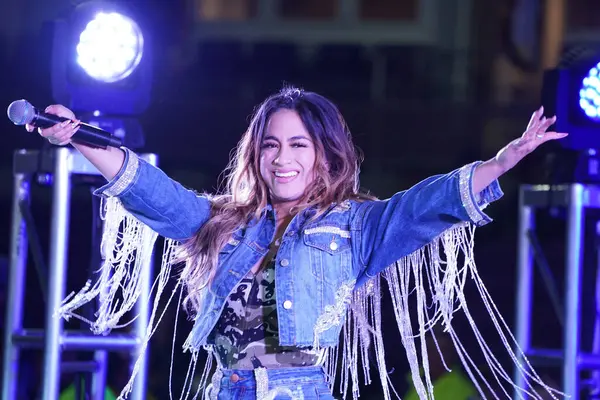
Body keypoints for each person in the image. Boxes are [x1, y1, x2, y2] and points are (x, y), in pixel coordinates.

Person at [28, 87, 567, 400]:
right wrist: (79, 136)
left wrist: (499, 164)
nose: (283, 159)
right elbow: (154, 193)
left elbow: (422, 208)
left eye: (297, 145)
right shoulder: (222, 222)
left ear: (324, 153)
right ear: (256, 154)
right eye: (271, 145)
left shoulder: (353, 227)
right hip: (227, 387)